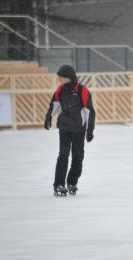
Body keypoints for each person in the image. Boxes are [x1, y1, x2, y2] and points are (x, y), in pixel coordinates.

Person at [44, 65, 96, 196]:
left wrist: (90, 130)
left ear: (68, 78)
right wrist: (48, 118)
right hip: (65, 128)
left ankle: (72, 182)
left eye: (61, 78)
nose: (59, 80)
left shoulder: (82, 90)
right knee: (63, 155)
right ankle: (59, 185)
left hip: (79, 129)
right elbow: (54, 105)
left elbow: (90, 111)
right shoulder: (60, 90)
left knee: (78, 157)